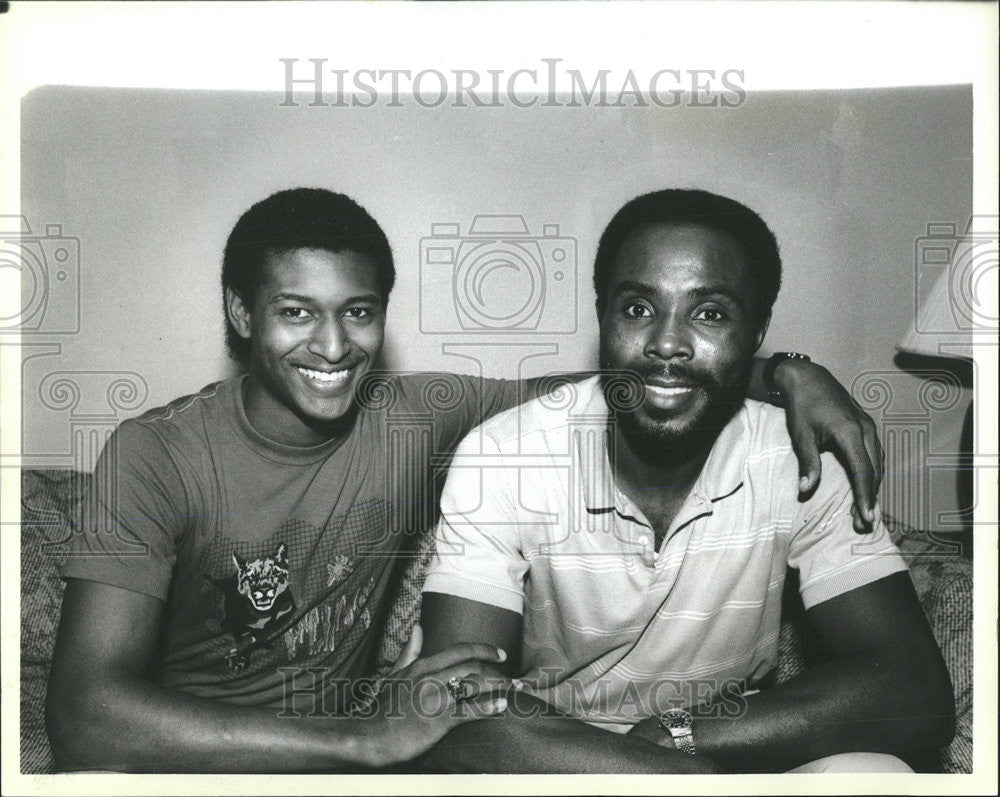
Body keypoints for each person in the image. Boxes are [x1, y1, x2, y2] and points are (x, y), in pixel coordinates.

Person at [47, 187, 889, 773]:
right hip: (198, 761)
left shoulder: (417, 414)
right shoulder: (152, 455)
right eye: (296, 311)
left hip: (362, 763)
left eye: (359, 311)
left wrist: (786, 372)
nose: (334, 347)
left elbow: (629, 383)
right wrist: (358, 744)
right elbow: (86, 716)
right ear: (242, 315)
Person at [419, 189, 955, 773]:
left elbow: (913, 689)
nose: (667, 344)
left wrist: (678, 737)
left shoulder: (802, 457)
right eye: (638, 309)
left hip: (715, 741)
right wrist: (664, 774)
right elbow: (454, 706)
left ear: (756, 332)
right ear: (601, 315)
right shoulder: (506, 453)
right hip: (553, 762)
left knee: (873, 776)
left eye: (710, 313)